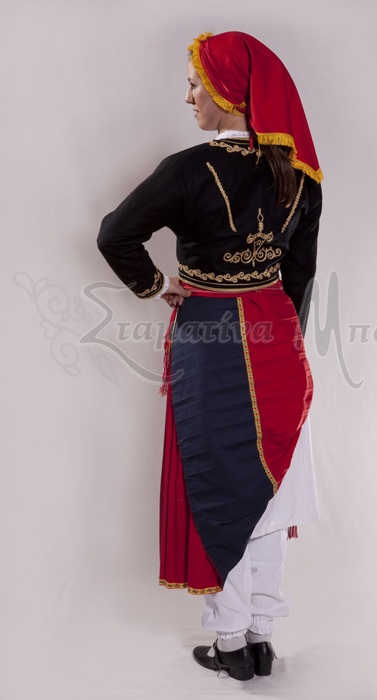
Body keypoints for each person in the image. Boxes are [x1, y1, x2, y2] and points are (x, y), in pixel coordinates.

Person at [97, 30, 323, 682]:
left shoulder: (188, 169)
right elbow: (299, 273)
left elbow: (114, 234)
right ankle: (261, 636)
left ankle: (229, 643)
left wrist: (154, 286)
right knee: (269, 488)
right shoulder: (300, 174)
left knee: (218, 486)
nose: (188, 95)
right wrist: (281, 339)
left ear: (229, 92)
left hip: (209, 337)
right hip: (277, 340)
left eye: (196, 82)